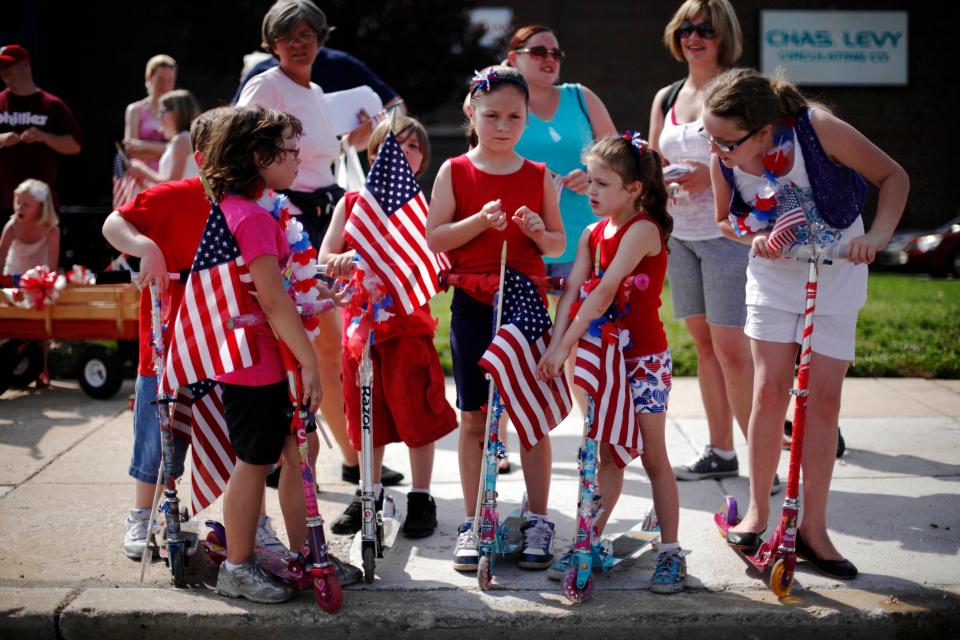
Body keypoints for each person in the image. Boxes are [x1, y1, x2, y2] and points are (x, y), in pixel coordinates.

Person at [103, 106, 361, 586]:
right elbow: (272, 298)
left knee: (293, 454)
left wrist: (316, 290)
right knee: (252, 458)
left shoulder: (264, 209)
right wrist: (308, 359)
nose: (299, 161)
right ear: (258, 155)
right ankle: (239, 564)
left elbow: (280, 284)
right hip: (254, 359)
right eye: (289, 152)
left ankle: (305, 553)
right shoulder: (251, 216)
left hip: (265, 354)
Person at [703, 68, 908, 579]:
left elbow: (894, 177)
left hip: (838, 268)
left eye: (727, 140)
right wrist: (751, 237)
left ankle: (813, 528)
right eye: (711, 137)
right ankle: (757, 510)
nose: (717, 149)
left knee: (822, 399)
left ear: (765, 129)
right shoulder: (722, 158)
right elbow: (726, 219)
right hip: (774, 274)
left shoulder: (818, 129)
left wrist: (877, 236)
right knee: (769, 389)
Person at [238, 0, 404, 488]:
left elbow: (315, 157)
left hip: (318, 217)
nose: (299, 42)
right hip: (283, 220)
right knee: (295, 343)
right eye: (288, 35)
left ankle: (349, 459)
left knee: (327, 347)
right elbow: (241, 146)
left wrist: (351, 137)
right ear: (273, 44)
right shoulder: (266, 85)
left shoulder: (314, 90)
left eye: (308, 33)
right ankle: (281, 459)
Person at [426, 65, 565, 571]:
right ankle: (475, 517)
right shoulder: (454, 171)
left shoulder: (538, 175)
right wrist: (478, 222)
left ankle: (539, 518)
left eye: (514, 116)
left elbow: (558, 243)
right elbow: (435, 237)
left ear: (527, 118)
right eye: (492, 115)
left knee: (530, 414)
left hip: (524, 302)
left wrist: (536, 232)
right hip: (472, 303)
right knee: (474, 417)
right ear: (472, 113)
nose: (503, 125)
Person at [537, 133, 686, 594]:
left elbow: (602, 293)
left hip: (642, 360)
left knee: (653, 454)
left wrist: (563, 349)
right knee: (606, 452)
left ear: (635, 189)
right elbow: (571, 295)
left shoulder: (643, 229)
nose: (593, 191)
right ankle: (590, 539)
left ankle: (671, 551)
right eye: (592, 182)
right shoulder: (590, 233)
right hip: (602, 357)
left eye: (604, 183)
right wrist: (556, 343)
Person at [319, 116, 457, 538]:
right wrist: (337, 262)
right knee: (365, 415)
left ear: (422, 159)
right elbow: (325, 255)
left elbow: (441, 260)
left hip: (408, 326)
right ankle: (369, 493)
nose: (402, 152)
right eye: (389, 145)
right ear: (372, 154)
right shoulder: (352, 205)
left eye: (412, 146)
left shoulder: (425, 207)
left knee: (418, 410)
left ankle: (421, 495)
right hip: (360, 329)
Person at [646, 0, 759, 485]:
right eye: (687, 28)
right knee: (706, 347)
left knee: (734, 350)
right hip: (682, 238)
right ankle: (720, 451)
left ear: (724, 36)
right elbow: (650, 161)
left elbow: (760, 160)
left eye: (706, 30)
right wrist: (662, 181)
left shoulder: (739, 91)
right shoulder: (666, 95)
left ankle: (764, 458)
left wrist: (708, 177)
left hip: (727, 235)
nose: (694, 37)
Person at [0, 44, 81, 214]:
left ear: (26, 64)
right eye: (1, 67)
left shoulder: (51, 104)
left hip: (40, 203)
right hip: (3, 200)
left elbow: (75, 146)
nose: (4, 71)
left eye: (9, 65)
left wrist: (44, 137)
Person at [0, 178, 60, 388]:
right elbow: (0, 259)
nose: (19, 208)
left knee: (40, 326)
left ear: (41, 207)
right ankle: (5, 366)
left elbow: (52, 267)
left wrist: (43, 284)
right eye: (18, 203)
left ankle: (42, 369)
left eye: (26, 204)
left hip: (37, 278)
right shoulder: (12, 226)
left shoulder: (51, 230)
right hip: (13, 276)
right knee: (7, 321)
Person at [125, 89, 201, 187]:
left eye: (163, 111)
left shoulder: (182, 140)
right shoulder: (179, 139)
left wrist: (142, 170)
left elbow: (173, 183)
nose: (159, 116)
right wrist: (144, 184)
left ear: (177, 112)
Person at [122, 55, 177, 176]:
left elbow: (182, 149)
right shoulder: (135, 109)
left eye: (170, 81)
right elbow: (131, 150)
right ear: (149, 78)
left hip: (168, 177)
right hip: (140, 178)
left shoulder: (177, 111)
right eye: (161, 80)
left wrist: (144, 145)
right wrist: (167, 149)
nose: (165, 86)